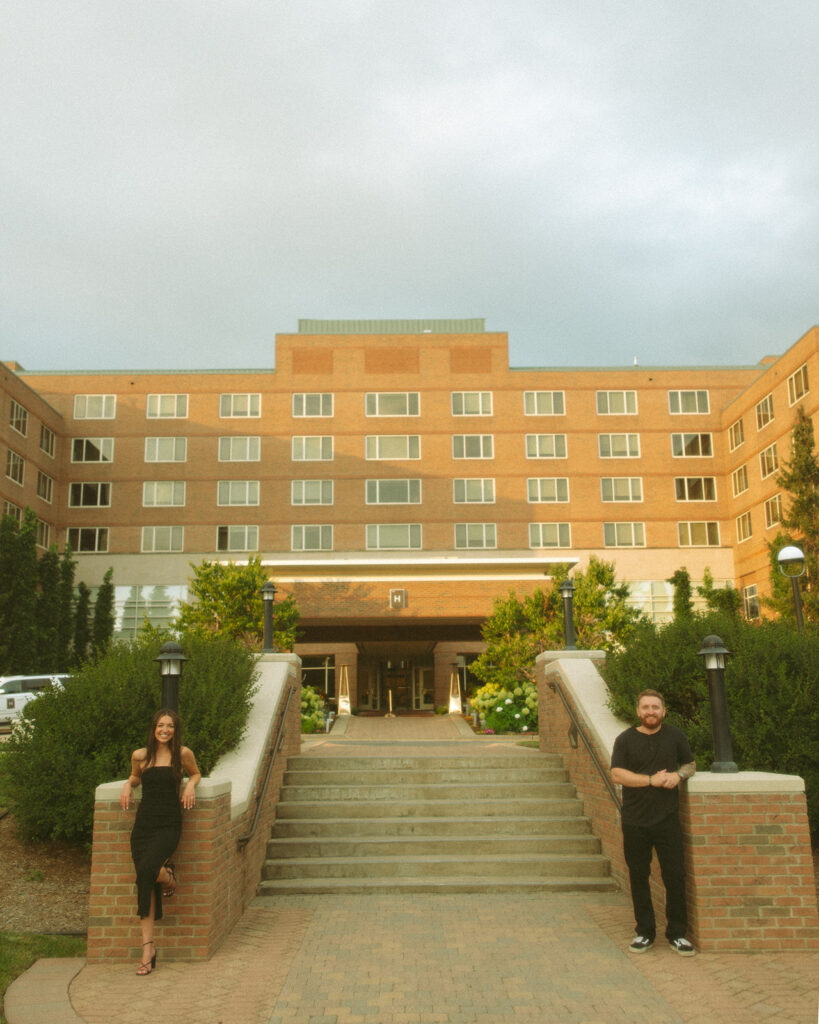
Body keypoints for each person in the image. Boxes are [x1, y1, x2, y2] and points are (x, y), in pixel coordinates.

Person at [610, 689, 696, 957]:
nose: (650, 711)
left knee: (675, 876)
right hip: (635, 821)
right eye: (646, 707)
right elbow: (616, 774)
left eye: (655, 707)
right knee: (638, 876)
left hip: (667, 820)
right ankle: (644, 932)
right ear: (638, 711)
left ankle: (678, 934)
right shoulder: (625, 740)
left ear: (663, 711)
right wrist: (651, 780)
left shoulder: (675, 736)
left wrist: (678, 776)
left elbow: (691, 764)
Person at [120, 708, 201, 975]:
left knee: (149, 870)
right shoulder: (140, 756)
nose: (164, 730)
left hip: (169, 824)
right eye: (160, 725)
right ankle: (148, 948)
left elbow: (196, 774)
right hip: (143, 826)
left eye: (170, 726)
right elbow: (135, 777)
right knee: (145, 879)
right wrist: (126, 786)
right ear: (153, 728)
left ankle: (168, 877)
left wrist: (190, 785)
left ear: (175, 730)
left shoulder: (182, 754)